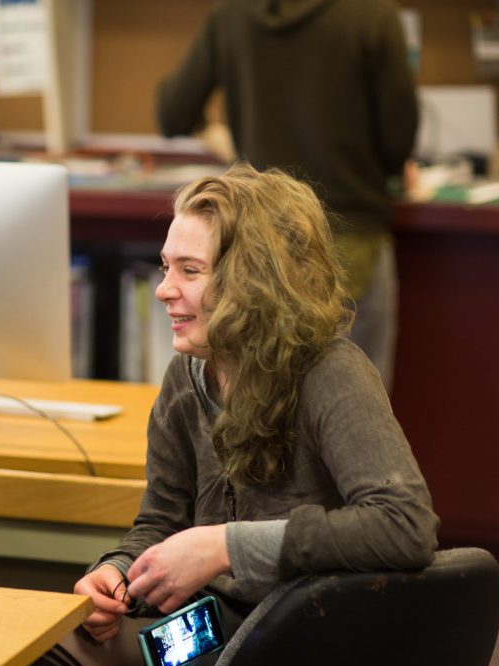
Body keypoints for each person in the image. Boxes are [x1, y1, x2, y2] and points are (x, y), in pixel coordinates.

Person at [0, 164, 439, 666]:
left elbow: (404, 525)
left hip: (309, 630)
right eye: (165, 267)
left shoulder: (330, 372)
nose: (163, 290)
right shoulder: (188, 374)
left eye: (189, 270)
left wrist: (225, 547)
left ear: (253, 282)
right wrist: (115, 574)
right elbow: (161, 519)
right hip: (211, 627)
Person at [156, 0, 418, 390]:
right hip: (351, 239)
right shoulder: (373, 15)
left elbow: (173, 111)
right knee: (354, 403)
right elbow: (398, 140)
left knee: (260, 402)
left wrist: (218, 133)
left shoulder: (231, 14)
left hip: (254, 247)